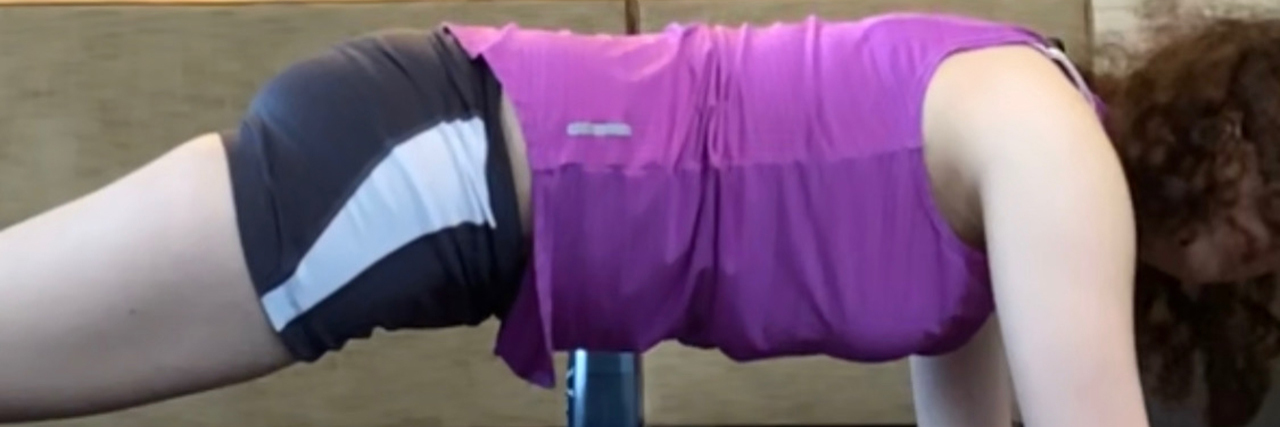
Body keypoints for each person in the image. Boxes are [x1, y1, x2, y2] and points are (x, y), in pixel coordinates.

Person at [1, 1, 1278, 426]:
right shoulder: (1056, 155)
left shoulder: (1023, 219)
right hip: (447, 164)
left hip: (449, 190)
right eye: (1270, 195)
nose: (1257, 248)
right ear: (1218, 129)